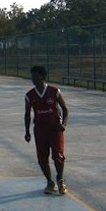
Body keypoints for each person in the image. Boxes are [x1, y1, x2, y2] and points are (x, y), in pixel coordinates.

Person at [24, 65, 69, 195]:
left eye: (36, 76)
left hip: (55, 129)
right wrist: (27, 131)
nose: (33, 79)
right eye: (32, 76)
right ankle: (50, 182)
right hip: (40, 130)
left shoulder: (54, 92)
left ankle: (60, 180)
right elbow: (27, 114)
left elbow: (65, 109)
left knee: (58, 156)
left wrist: (64, 125)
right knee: (42, 158)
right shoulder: (29, 95)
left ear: (43, 77)